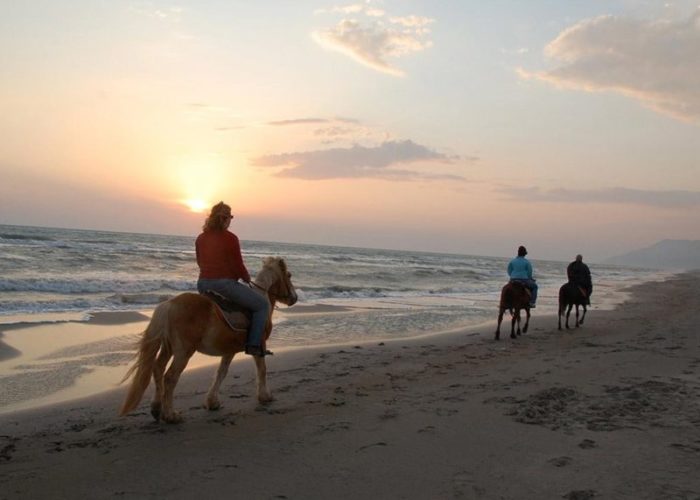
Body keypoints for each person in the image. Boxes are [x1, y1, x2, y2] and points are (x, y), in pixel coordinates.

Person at [195, 202, 270, 357]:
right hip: (224, 285)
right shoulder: (231, 238)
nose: (230, 221)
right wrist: (246, 277)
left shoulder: (201, 238)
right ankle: (253, 345)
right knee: (262, 305)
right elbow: (237, 264)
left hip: (202, 284)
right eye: (230, 217)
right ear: (225, 219)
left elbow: (199, 262)